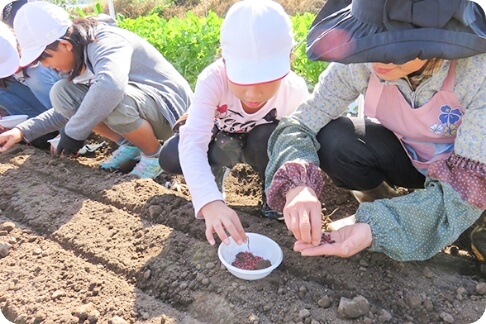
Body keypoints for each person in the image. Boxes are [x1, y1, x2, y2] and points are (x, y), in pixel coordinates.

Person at [265, 0, 486, 262]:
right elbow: (302, 122)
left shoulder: (477, 72)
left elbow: (468, 188)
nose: (375, 58)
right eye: (371, 43)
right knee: (335, 141)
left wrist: (377, 228)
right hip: (413, 158)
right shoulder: (361, 62)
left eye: (391, 47)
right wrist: (297, 185)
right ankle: (390, 205)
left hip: (472, 174)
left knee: (473, 221)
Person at [159, 0, 309, 246]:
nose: (252, 93)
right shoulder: (213, 80)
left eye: (265, 80)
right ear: (225, 62)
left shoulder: (294, 91)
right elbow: (194, 141)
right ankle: (213, 177)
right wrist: (210, 201)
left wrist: (295, 187)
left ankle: (273, 194)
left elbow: (298, 145)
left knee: (270, 138)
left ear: (289, 61)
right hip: (222, 139)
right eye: (242, 79)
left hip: (261, 145)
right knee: (172, 156)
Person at [0, 1, 193, 179]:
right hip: (145, 107)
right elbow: (67, 111)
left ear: (65, 45)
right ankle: (131, 145)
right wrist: (21, 130)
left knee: (111, 99)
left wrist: (74, 132)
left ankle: (153, 156)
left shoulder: (105, 42)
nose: (46, 66)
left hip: (173, 116)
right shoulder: (76, 59)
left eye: (44, 59)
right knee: (62, 93)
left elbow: (111, 87)